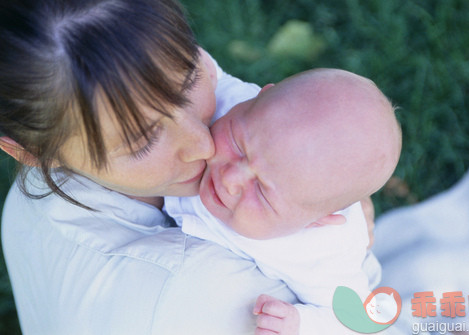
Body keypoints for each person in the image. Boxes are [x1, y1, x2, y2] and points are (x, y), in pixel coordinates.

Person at [0, 1, 300, 334]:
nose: (204, 144)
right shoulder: (214, 295)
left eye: (188, 82)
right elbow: (358, 315)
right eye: (141, 141)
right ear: (31, 151)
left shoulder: (48, 172)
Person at [165, 69, 402, 334]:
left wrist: (301, 323)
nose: (231, 178)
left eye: (263, 192)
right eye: (237, 143)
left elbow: (356, 320)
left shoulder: (323, 253)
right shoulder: (232, 100)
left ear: (318, 221)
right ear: (259, 96)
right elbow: (196, 66)